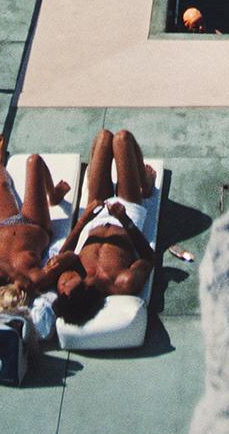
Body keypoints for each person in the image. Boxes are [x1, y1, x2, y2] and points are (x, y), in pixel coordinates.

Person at [53, 129, 156, 326]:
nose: (62, 287)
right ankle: (145, 183)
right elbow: (149, 258)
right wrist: (125, 219)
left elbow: (65, 252)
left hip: (93, 220)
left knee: (103, 137)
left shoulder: (68, 279)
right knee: (122, 138)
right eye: (66, 293)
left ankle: (94, 175)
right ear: (79, 297)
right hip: (126, 215)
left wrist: (83, 220)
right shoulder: (122, 282)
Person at [0, 135, 79, 297]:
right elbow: (72, 256)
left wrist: (14, 274)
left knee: (1, 186)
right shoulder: (35, 280)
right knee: (34, 161)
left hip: (0, 226)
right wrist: (58, 263)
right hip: (34, 224)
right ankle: (53, 195)